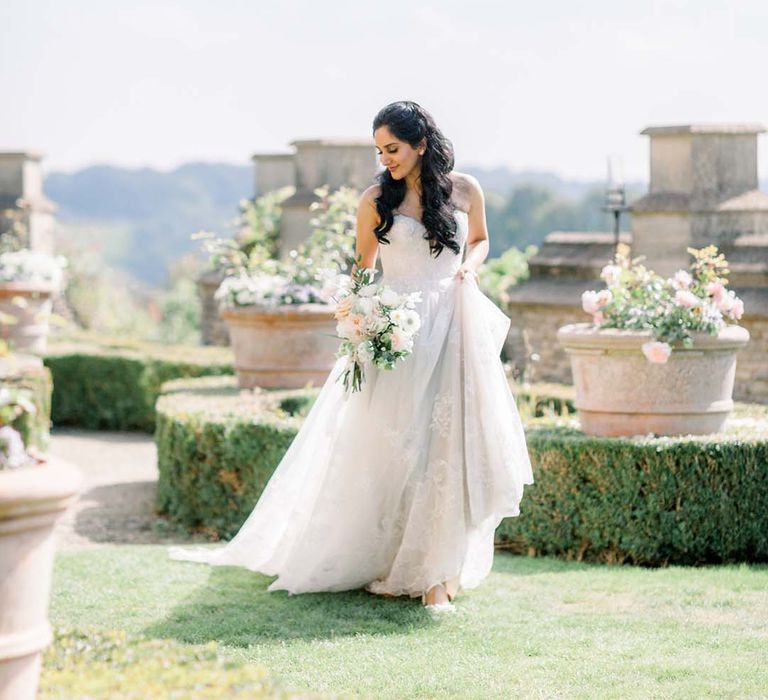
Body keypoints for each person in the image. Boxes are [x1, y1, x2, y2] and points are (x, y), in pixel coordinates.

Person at [169, 100, 534, 613]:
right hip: (398, 329)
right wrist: (362, 320)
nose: (386, 159)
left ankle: (438, 575)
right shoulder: (374, 200)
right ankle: (390, 556)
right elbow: (362, 270)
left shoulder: (465, 189)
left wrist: (470, 269)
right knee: (398, 446)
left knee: (449, 446)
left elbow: (480, 240)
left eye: (394, 149)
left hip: (454, 324)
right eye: (379, 150)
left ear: (422, 144)